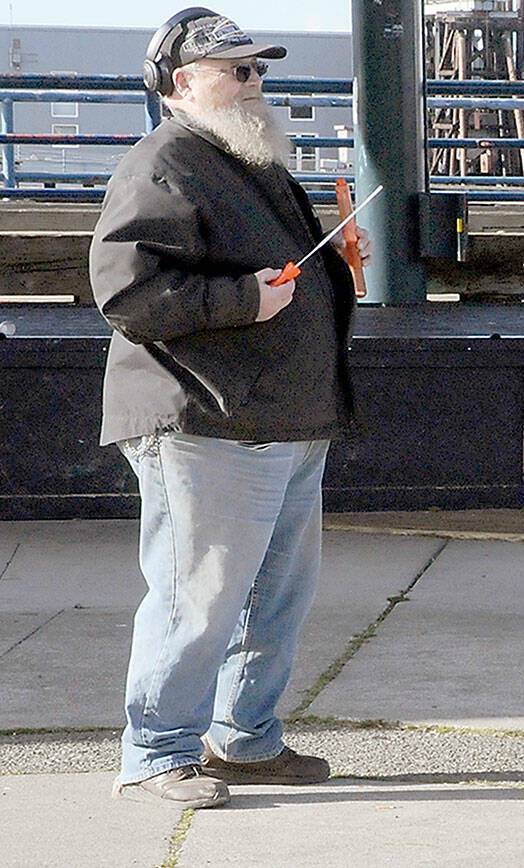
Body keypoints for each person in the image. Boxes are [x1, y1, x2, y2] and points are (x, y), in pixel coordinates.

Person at [90, 7, 372, 809]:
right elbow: (127, 291)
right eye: (238, 71)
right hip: (206, 418)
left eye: (259, 70)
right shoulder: (168, 159)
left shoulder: (249, 161)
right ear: (183, 85)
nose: (256, 83)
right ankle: (154, 753)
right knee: (199, 596)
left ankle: (244, 741)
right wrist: (243, 299)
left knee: (274, 598)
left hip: (281, 417)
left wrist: (333, 274)